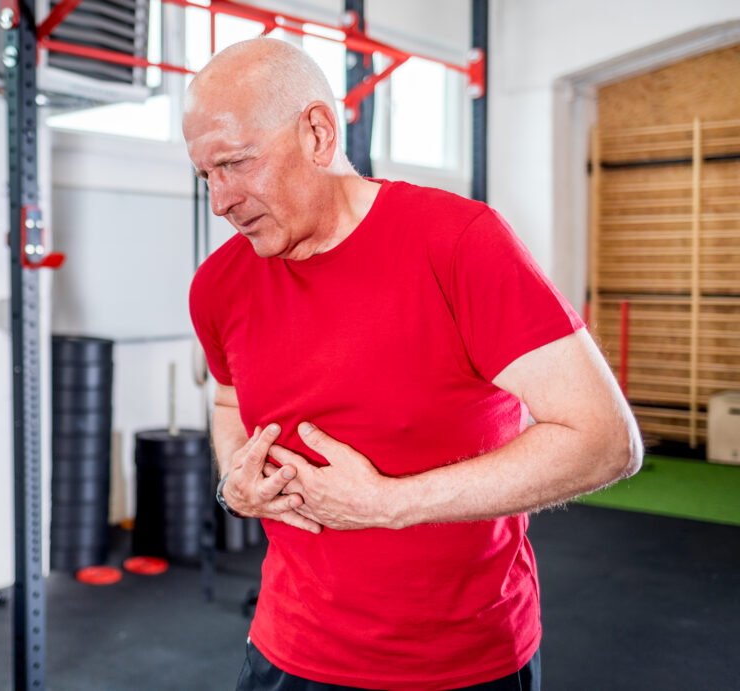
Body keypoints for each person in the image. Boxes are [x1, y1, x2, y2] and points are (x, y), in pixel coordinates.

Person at [184, 38, 642, 691]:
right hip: (288, 651)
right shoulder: (218, 286)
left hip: (463, 662)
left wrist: (391, 503)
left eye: (234, 163)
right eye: (207, 175)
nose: (220, 201)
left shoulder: (460, 243)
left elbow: (603, 440)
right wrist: (236, 480)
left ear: (317, 133)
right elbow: (230, 398)